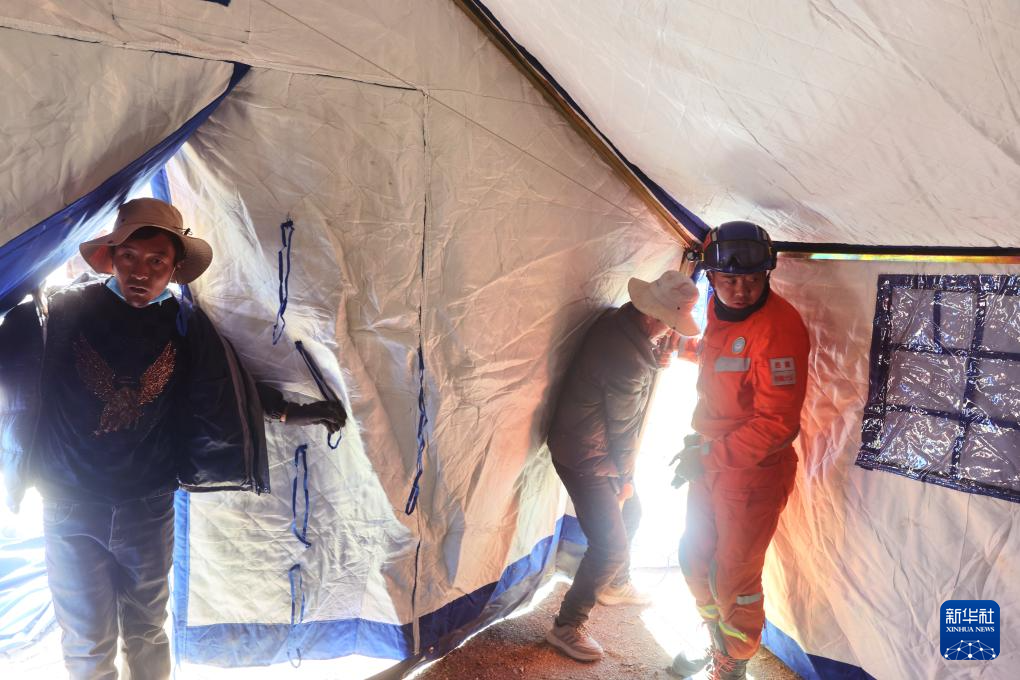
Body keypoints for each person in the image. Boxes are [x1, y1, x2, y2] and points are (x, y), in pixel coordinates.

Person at [0, 198, 346, 680]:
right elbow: (15, 363)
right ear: (111, 257)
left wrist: (293, 411)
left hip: (147, 506)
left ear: (175, 267)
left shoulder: (184, 326)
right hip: (69, 504)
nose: (140, 272)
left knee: (146, 630)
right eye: (129, 257)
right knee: (86, 640)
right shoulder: (63, 312)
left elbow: (226, 384)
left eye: (156, 261)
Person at [667, 222, 810, 680]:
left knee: (734, 578)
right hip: (711, 458)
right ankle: (715, 641)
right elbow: (724, 366)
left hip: (753, 474)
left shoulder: (779, 329)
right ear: (711, 276)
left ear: (767, 273)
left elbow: (776, 424)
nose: (741, 289)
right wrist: (684, 349)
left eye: (752, 279)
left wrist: (708, 457)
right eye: (729, 280)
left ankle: (733, 663)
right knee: (694, 557)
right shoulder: (716, 305)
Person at [544, 270, 700, 662]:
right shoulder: (629, 360)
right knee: (610, 546)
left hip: (579, 442)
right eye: (669, 324)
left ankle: (614, 585)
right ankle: (566, 626)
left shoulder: (618, 320)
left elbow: (628, 368)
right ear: (653, 316)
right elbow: (624, 429)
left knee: (633, 513)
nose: (671, 331)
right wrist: (625, 477)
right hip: (587, 457)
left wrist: (654, 361)